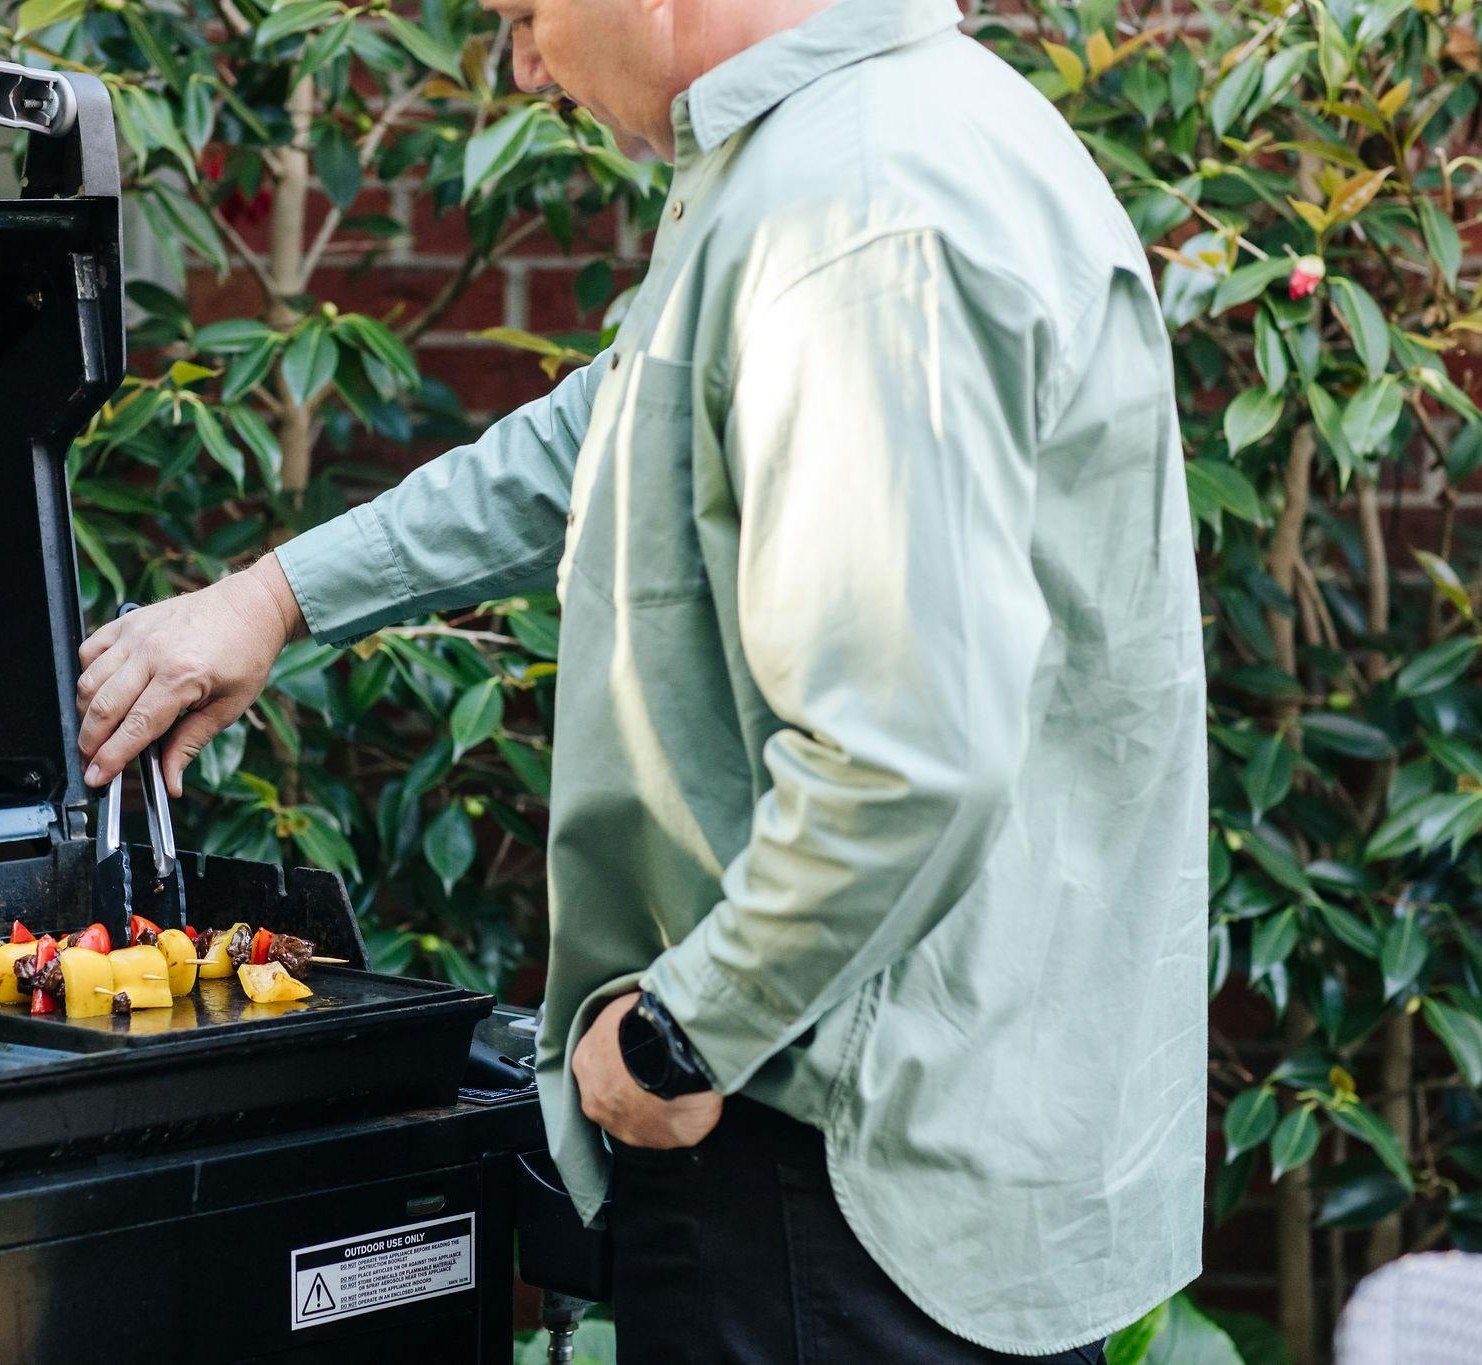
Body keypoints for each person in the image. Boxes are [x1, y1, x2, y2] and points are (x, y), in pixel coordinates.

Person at [73, 0, 1206, 1359]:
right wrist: (275, 596)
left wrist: (679, 1034)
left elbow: (909, 755)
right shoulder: (879, 135)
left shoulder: (854, 218)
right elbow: (618, 421)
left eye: (525, 13)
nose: (527, 63)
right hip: (911, 1122)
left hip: (828, 1169)